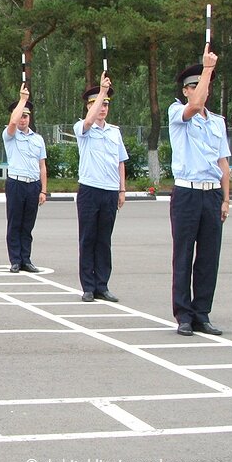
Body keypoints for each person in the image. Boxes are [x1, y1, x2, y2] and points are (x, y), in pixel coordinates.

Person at [169, 46, 230, 337]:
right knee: (183, 255)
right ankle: (183, 314)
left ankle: (201, 313)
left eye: (203, 86)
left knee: (209, 257)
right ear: (186, 91)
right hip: (187, 193)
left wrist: (226, 199)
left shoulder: (217, 122)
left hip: (212, 193)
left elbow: (224, 164)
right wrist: (206, 69)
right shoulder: (178, 112)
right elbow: (193, 109)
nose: (201, 91)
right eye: (194, 87)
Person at [75, 75, 128, 303]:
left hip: (109, 191)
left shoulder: (114, 132)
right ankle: (88, 285)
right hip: (89, 189)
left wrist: (122, 190)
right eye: (98, 103)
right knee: (88, 238)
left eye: (106, 104)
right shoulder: (83, 128)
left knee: (104, 240)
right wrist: (103, 91)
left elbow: (120, 162)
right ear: (89, 106)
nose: (103, 108)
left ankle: (102, 285)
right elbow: (88, 122)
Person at [2, 85, 47, 273]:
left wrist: (43, 189)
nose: (22, 119)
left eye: (25, 116)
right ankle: (15, 259)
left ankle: (26, 259)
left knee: (28, 224)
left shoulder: (38, 139)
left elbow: (42, 166)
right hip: (16, 183)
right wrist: (22, 100)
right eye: (20, 115)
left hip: (33, 185)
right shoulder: (9, 135)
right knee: (15, 222)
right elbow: (12, 124)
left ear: (30, 118)